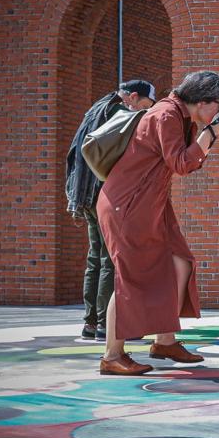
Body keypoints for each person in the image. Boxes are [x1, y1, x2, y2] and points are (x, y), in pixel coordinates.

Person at [96, 70, 219, 376]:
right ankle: (112, 355)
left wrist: (207, 134)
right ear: (202, 101)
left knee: (179, 262)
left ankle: (164, 341)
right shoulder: (166, 115)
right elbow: (182, 163)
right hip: (128, 205)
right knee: (131, 277)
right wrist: (210, 134)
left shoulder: (181, 116)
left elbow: (183, 161)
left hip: (152, 203)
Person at [64, 80, 157, 341]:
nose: (146, 112)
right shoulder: (120, 113)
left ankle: (90, 323)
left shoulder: (97, 107)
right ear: (134, 97)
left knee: (95, 259)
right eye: (146, 106)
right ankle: (107, 323)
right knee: (110, 260)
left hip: (84, 192)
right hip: (104, 193)